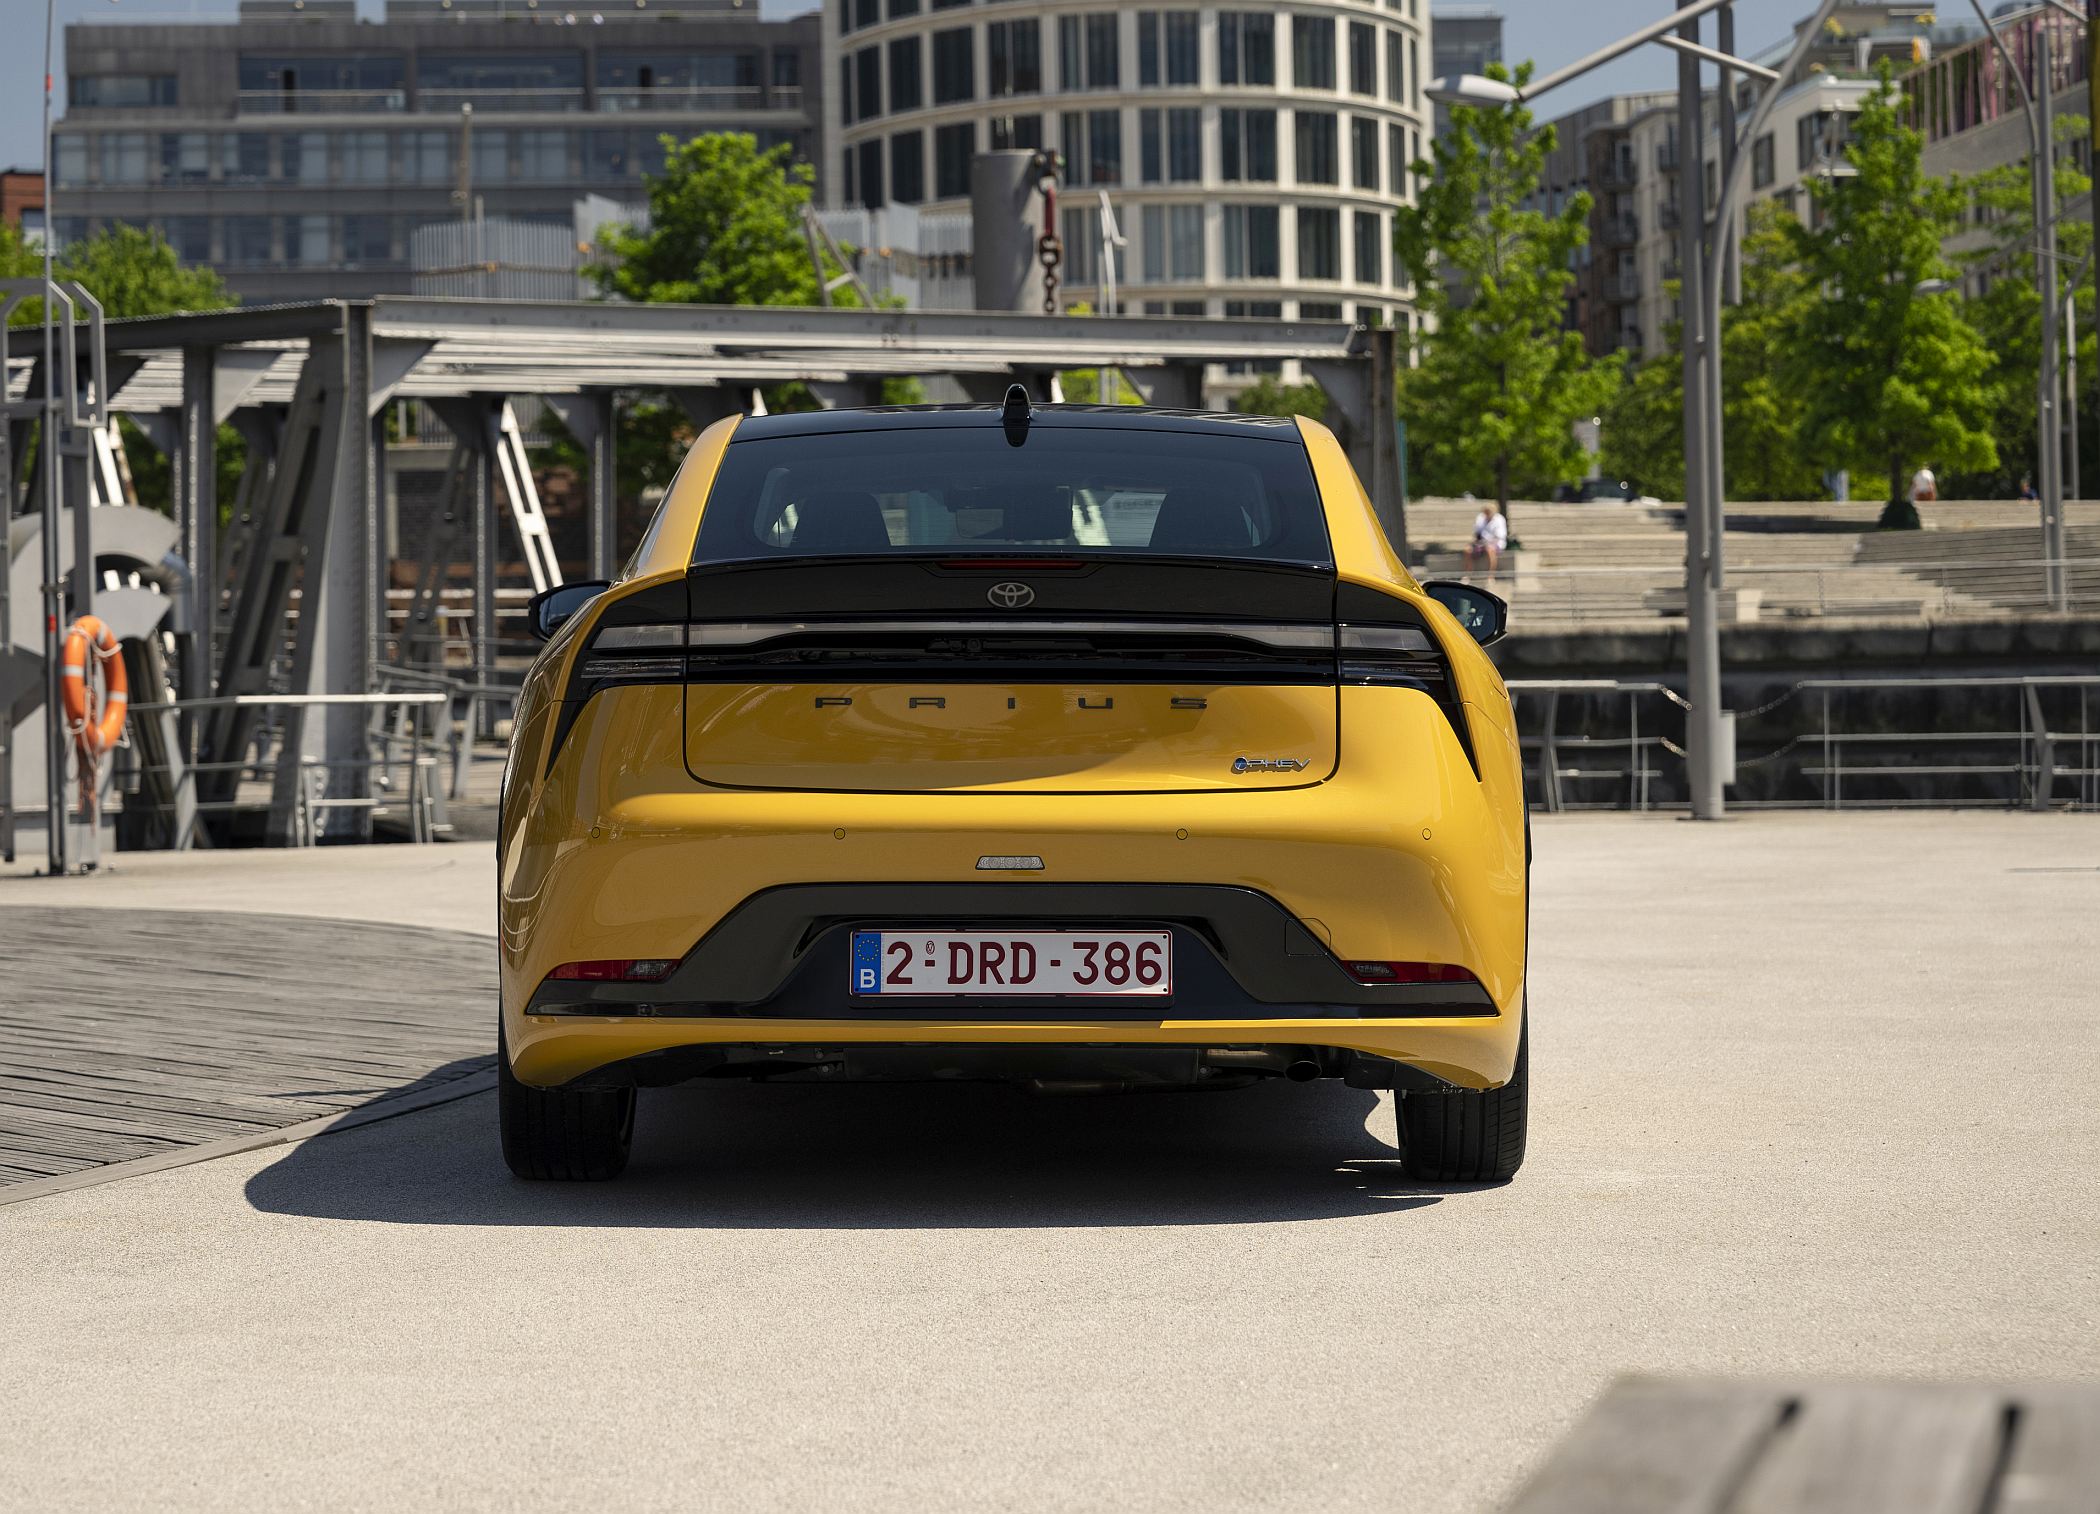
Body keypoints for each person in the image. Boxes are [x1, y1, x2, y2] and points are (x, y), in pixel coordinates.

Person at [1463, 500, 1508, 576]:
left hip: (1496, 543)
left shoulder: (1499, 519)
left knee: (1489, 549)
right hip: (1482, 542)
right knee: (1467, 550)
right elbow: (1477, 533)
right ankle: (1468, 574)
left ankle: (1490, 575)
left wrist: (1489, 542)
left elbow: (1500, 536)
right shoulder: (1481, 518)